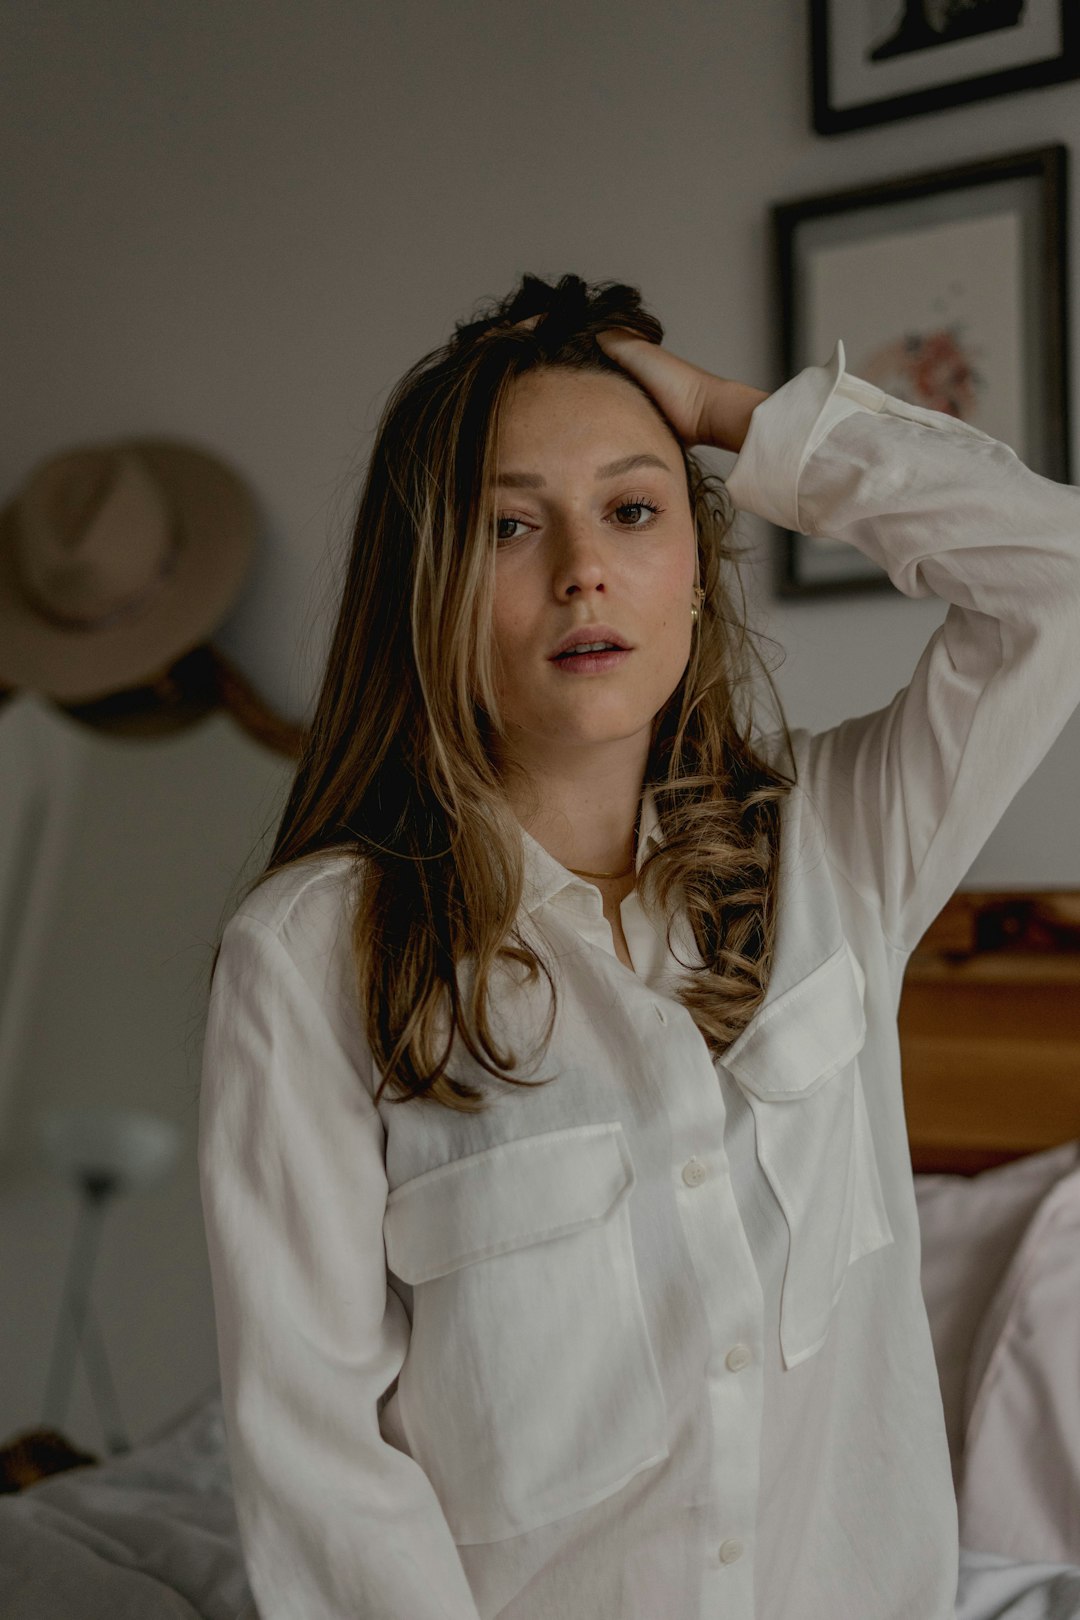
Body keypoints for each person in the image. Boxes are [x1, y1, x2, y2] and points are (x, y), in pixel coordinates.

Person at [197, 273, 1080, 1620]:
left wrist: (732, 414)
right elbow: (319, 1456)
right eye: (509, 524)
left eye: (631, 509)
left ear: (696, 567)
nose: (583, 570)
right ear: (427, 579)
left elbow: (1053, 580)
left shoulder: (835, 846)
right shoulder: (311, 959)